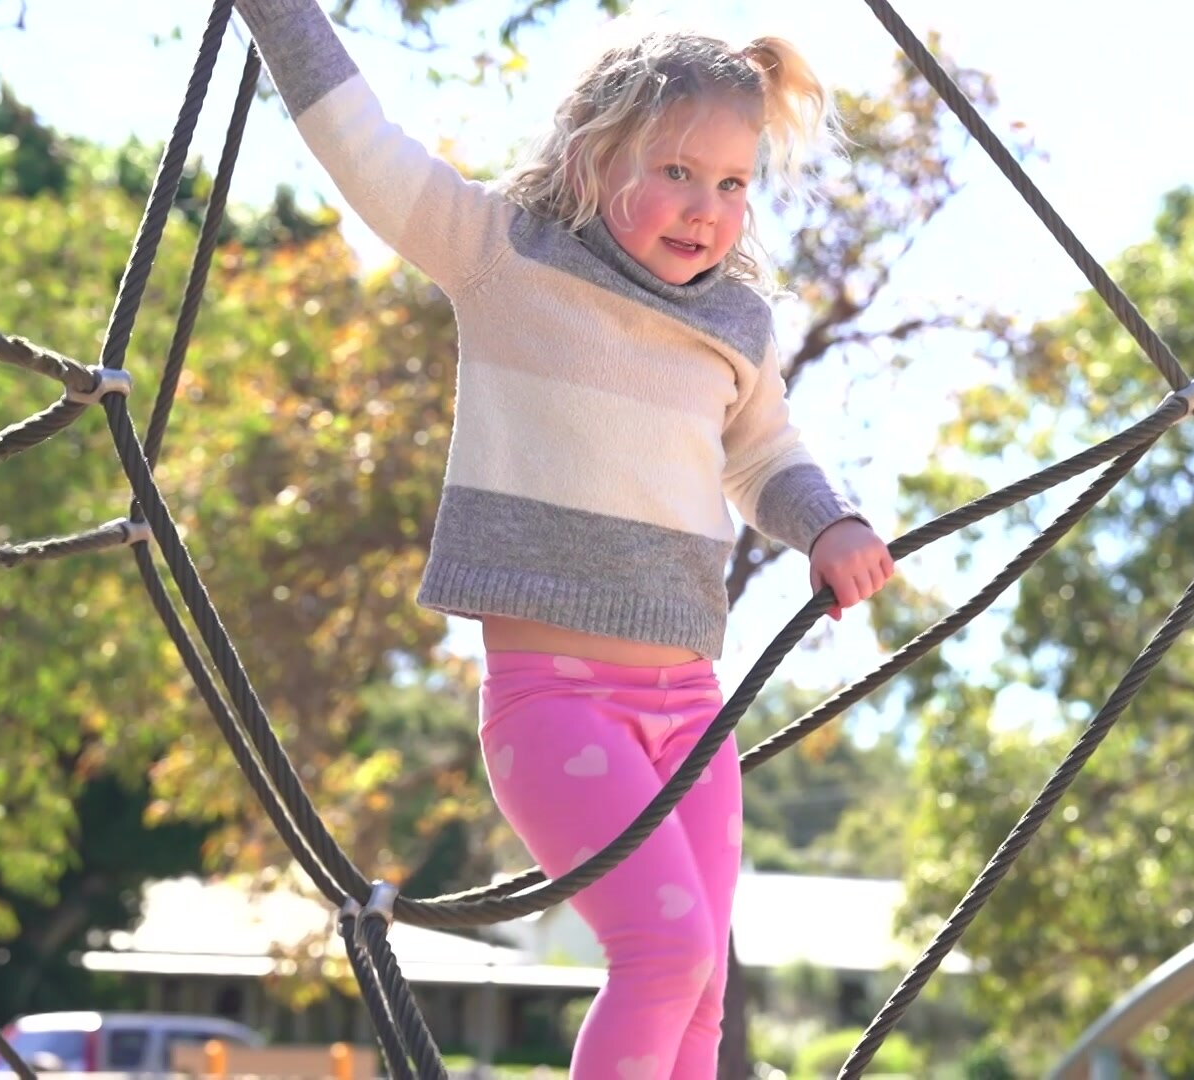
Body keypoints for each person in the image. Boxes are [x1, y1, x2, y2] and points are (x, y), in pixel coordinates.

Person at [234, 3, 896, 1075]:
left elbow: (765, 453)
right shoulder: (505, 257)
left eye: (733, 185)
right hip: (556, 701)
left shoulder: (734, 322)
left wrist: (830, 523)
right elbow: (363, 145)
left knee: (703, 994)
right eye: (678, 171)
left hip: (692, 711)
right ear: (593, 150)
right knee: (665, 954)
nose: (707, 209)